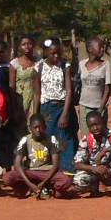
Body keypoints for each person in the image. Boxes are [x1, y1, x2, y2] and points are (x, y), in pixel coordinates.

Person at [6, 112, 73, 199]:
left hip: (47, 172)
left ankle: (49, 188)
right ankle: (26, 188)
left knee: (66, 181)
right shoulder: (25, 140)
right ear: (30, 128)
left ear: (45, 127)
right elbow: (17, 164)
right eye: (35, 127)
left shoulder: (51, 139)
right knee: (8, 177)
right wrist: (29, 183)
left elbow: (56, 165)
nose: (38, 130)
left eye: (41, 127)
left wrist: (44, 183)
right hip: (30, 171)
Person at [72, 109, 111, 199]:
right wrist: (95, 168)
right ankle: (94, 188)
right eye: (92, 126)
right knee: (78, 182)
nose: (95, 128)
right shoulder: (86, 140)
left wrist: (106, 150)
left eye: (97, 124)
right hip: (94, 171)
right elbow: (77, 164)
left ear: (103, 123)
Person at [36, 37, 75, 166]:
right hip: (47, 111)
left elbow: (69, 91)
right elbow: (37, 94)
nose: (56, 56)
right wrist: (35, 115)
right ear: (46, 52)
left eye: (58, 53)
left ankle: (66, 170)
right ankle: (48, 169)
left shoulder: (65, 66)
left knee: (65, 140)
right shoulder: (38, 68)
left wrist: (65, 114)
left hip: (62, 107)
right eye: (53, 53)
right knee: (48, 140)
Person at [77, 37, 111, 138]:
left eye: (103, 47)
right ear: (90, 49)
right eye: (99, 47)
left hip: (98, 107)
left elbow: (107, 88)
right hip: (84, 107)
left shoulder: (106, 65)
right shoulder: (82, 64)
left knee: (100, 137)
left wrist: (100, 110)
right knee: (86, 138)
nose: (102, 49)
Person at [9, 34, 40, 147]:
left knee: (35, 129)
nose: (27, 47)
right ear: (19, 47)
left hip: (35, 100)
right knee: (20, 132)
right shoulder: (14, 64)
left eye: (29, 44)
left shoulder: (39, 62)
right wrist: (14, 108)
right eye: (23, 44)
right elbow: (11, 86)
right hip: (20, 103)